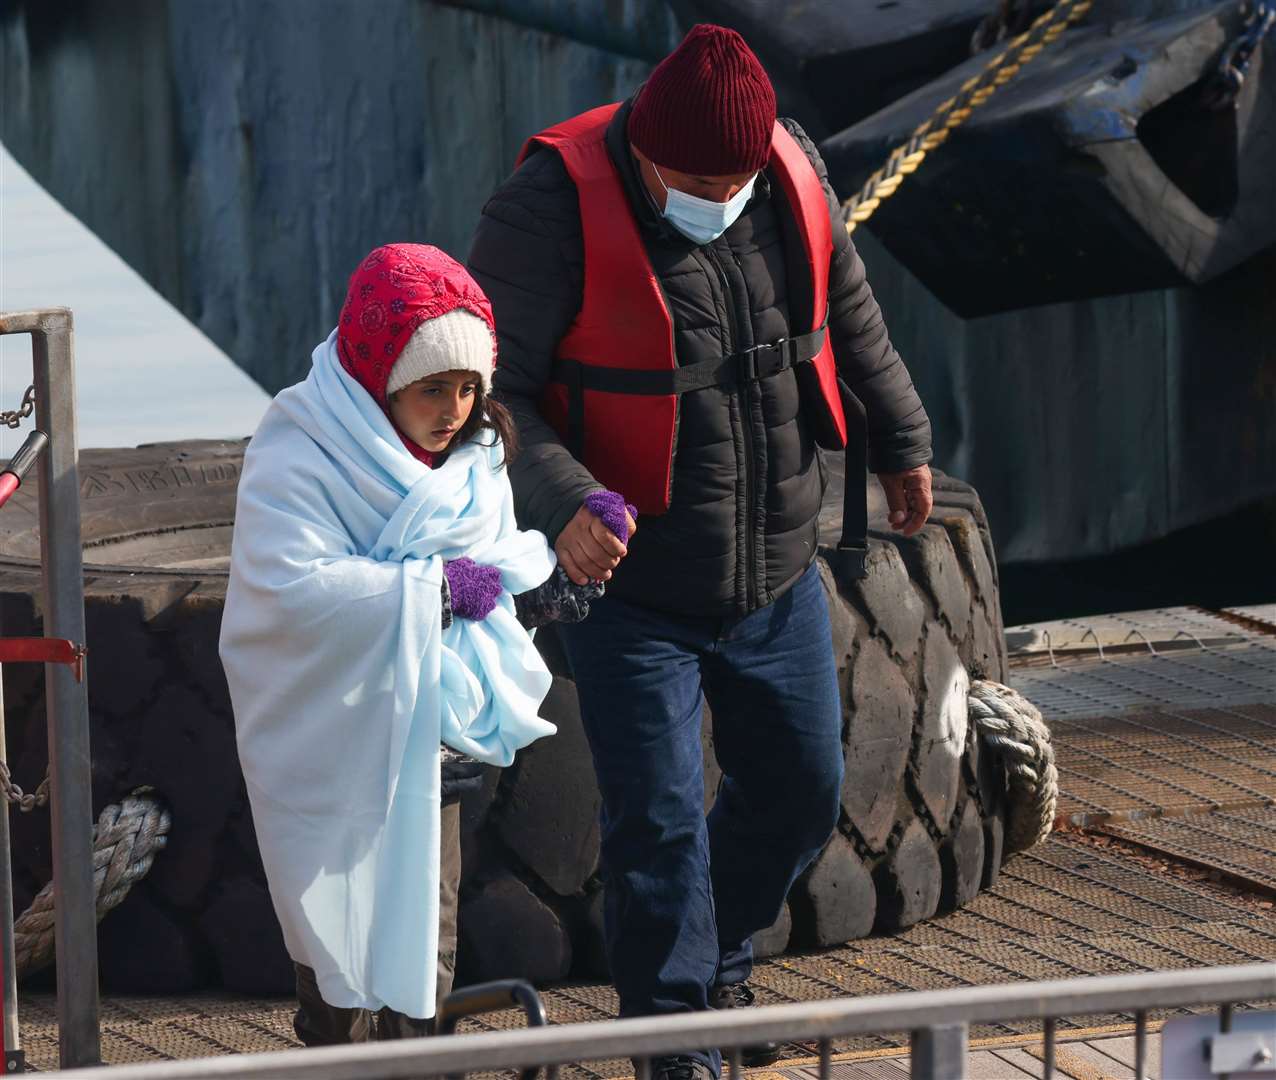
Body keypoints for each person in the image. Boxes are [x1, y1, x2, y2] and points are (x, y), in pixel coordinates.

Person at [468, 24, 934, 1080]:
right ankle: (673, 1039)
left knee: (801, 792)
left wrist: (903, 441)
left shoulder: (788, 171)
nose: (717, 197)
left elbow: (848, 315)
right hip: (632, 586)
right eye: (693, 180)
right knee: (661, 826)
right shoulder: (546, 208)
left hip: (775, 568)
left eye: (736, 178)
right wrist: (566, 499)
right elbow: (493, 397)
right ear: (642, 150)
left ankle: (720, 962)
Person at [219, 243, 604, 1044]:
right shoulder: (297, 450)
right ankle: (336, 1039)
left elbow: (500, 567)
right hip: (327, 737)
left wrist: (568, 573)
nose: (455, 409)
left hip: (433, 739)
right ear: (379, 374)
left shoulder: (476, 457)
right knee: (334, 931)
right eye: (433, 389)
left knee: (424, 927)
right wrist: (428, 591)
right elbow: (288, 592)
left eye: (469, 388)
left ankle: (415, 1051)